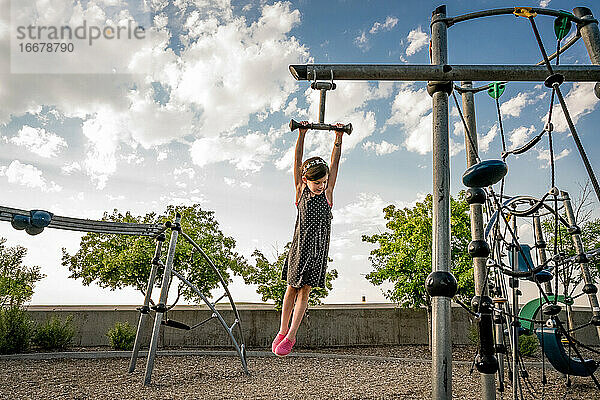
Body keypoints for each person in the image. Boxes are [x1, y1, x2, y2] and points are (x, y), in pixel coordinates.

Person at [272, 121, 346, 357]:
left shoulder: (328, 194)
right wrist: (302, 134)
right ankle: (282, 330)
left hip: (317, 250)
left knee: (305, 291)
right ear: (306, 180)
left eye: (324, 182)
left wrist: (338, 137)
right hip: (300, 247)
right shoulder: (300, 190)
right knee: (291, 288)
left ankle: (292, 335)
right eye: (317, 182)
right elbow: (297, 161)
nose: (321, 186)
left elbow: (334, 164)